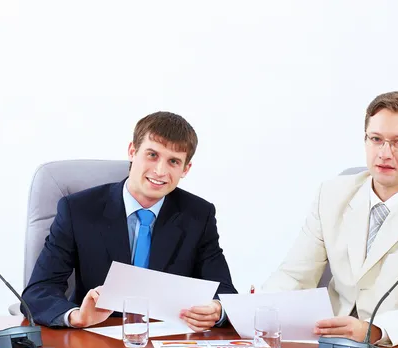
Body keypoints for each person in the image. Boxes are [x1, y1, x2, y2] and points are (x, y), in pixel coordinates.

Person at [262, 90, 398, 346]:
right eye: (376, 139)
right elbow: (294, 276)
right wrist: (255, 312)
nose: (384, 153)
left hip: (395, 346)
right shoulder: (332, 194)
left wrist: (375, 330)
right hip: (327, 341)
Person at [22, 111, 237, 329]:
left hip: (168, 341)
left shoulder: (199, 215)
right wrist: (77, 316)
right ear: (132, 151)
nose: (160, 171)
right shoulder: (78, 209)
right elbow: (39, 291)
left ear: (185, 169)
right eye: (152, 155)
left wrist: (217, 310)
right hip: (95, 339)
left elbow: (225, 291)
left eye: (173, 161)